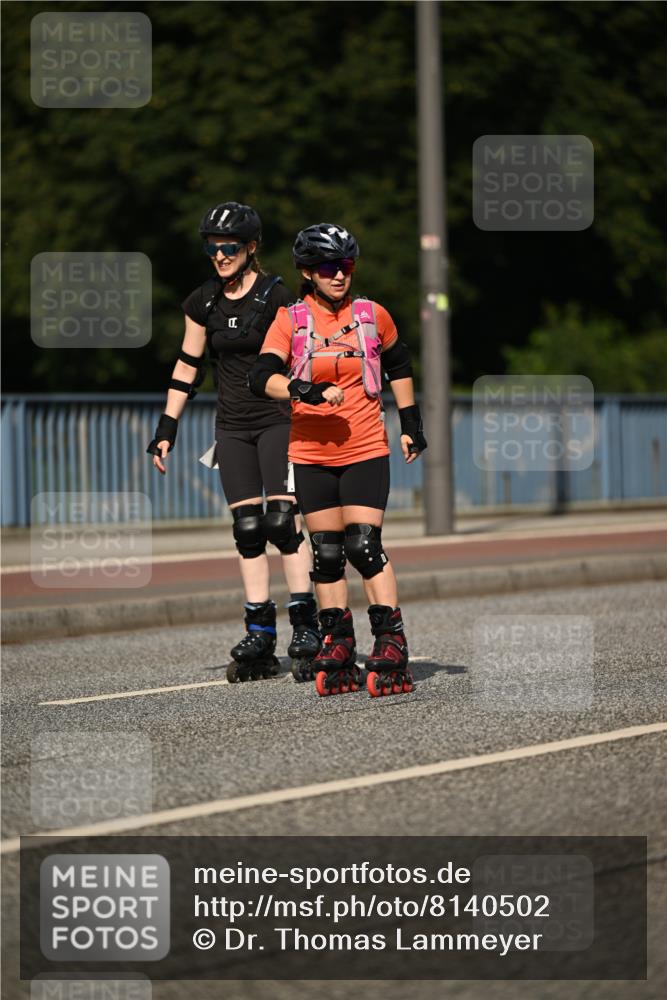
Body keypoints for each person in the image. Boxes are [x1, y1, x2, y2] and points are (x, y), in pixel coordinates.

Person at [249, 223, 427, 697]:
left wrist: (411, 426)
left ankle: (391, 641)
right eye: (328, 267)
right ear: (307, 272)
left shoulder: (372, 315)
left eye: (346, 265)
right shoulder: (292, 320)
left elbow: (400, 364)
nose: (339, 275)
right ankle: (339, 640)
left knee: (363, 546)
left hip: (366, 447)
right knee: (326, 554)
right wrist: (302, 388)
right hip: (309, 452)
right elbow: (260, 375)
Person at [147, 202, 320, 682]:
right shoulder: (202, 302)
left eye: (228, 247)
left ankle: (307, 625)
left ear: (250, 248)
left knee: (282, 523)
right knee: (247, 529)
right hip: (232, 427)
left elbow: (301, 358)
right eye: (212, 247)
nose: (219, 255)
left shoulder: (276, 295)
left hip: (278, 419)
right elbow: (187, 367)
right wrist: (167, 429)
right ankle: (260, 631)